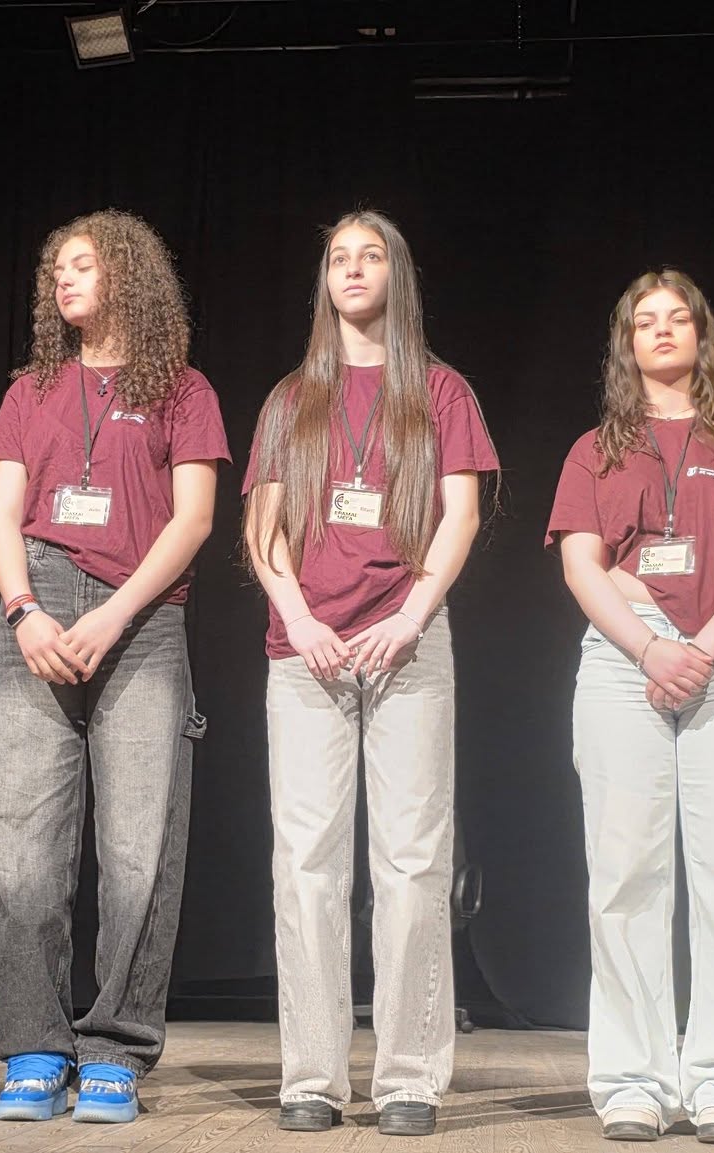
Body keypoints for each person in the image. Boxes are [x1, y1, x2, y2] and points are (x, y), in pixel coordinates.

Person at [242, 209, 499, 1137]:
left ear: (398, 274)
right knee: (307, 865)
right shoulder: (290, 399)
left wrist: (410, 616)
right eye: (338, 258)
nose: (352, 269)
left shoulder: (441, 391)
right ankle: (312, 1074)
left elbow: (461, 516)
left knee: (412, 863)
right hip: (306, 652)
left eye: (370, 255)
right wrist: (301, 617)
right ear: (325, 281)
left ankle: (408, 1077)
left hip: (408, 647)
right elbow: (262, 529)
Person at [547, 269, 714, 1145]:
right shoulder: (595, 448)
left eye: (677, 318)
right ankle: (634, 1080)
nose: (661, 331)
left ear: (702, 335)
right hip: (625, 659)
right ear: (626, 344)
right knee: (624, 876)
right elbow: (581, 563)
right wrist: (650, 647)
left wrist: (701, 651)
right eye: (644, 321)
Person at [0, 209, 228, 1125]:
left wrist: (117, 612)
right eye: (58, 269)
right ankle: (35, 1046)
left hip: (144, 615)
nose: (64, 280)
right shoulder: (31, 389)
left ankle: (117, 1044)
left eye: (82, 265)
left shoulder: (184, 390)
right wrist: (24, 610)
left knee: (139, 846)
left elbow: (194, 518)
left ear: (127, 273)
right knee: (23, 842)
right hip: (39, 603)